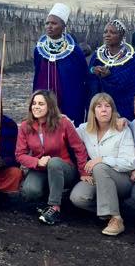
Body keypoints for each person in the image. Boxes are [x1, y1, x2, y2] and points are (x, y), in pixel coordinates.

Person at [70, 93, 135, 236]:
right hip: (98, 178)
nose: (104, 110)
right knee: (78, 198)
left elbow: (130, 163)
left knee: (99, 166)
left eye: (108, 106)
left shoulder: (122, 129)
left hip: (122, 179)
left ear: (113, 110)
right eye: (99, 106)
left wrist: (102, 159)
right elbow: (66, 133)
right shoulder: (84, 129)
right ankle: (113, 208)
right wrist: (62, 119)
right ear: (92, 111)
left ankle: (116, 218)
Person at [15, 89, 88, 225]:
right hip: (40, 169)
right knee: (30, 191)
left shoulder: (63, 123)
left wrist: (83, 171)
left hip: (64, 168)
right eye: (34, 103)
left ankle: (54, 207)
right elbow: (20, 155)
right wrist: (37, 161)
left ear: (50, 106)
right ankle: (50, 199)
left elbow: (79, 148)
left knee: (54, 162)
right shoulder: (26, 126)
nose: (36, 106)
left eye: (41, 104)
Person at [32, 3, 88, 125]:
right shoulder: (39, 49)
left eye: (54, 23)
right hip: (44, 93)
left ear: (63, 26)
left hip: (68, 96)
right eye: (47, 23)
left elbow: (83, 75)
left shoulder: (74, 51)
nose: (49, 26)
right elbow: (37, 71)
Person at [88, 19, 135, 121]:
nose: (107, 35)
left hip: (124, 106)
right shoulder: (98, 55)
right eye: (105, 32)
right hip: (100, 105)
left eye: (112, 32)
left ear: (122, 36)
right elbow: (88, 74)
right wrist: (93, 70)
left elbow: (132, 84)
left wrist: (110, 76)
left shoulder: (131, 58)